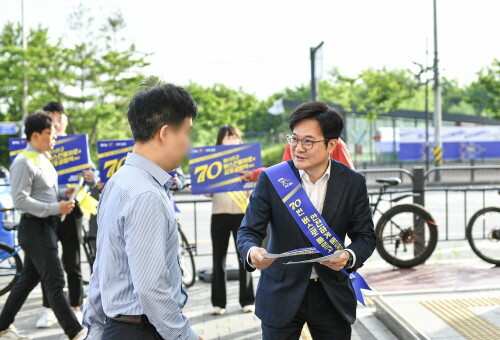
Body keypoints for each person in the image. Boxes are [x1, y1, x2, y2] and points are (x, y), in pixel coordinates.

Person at [237, 102, 376, 340]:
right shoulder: (274, 179)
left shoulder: (352, 183)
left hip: (331, 294)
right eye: (294, 139)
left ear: (331, 144)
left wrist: (349, 256)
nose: (298, 148)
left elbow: (365, 237)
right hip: (281, 293)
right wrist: (251, 251)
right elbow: (248, 230)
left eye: (308, 141)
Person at [83, 84, 203, 340]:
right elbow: (151, 289)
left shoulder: (119, 181)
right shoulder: (145, 193)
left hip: (121, 327)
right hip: (144, 330)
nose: (188, 143)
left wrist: (94, 328)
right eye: (186, 132)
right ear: (165, 133)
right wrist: (185, 336)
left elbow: (102, 268)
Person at [0, 112, 86, 340]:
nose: (54, 138)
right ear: (35, 135)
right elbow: (20, 201)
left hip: (46, 227)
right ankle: (76, 332)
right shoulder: (23, 162)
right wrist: (57, 208)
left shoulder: (42, 158)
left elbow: (43, 194)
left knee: (28, 279)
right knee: (56, 280)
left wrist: (61, 195)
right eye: (50, 133)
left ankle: (2, 325)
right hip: (35, 228)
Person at [34, 102, 94, 328]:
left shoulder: (77, 146)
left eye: (60, 117)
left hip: (72, 206)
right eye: (51, 117)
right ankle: (48, 308)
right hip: (47, 207)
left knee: (72, 259)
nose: (56, 122)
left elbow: (92, 172)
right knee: (47, 261)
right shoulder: (39, 148)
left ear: (66, 120)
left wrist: (89, 175)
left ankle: (76, 306)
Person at [205, 125, 255, 315]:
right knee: (219, 260)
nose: (233, 141)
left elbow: (252, 190)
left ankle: (247, 300)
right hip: (219, 214)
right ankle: (219, 303)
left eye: (235, 137)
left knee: (245, 258)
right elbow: (207, 192)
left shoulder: (247, 160)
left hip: (242, 214)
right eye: (228, 137)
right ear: (220, 141)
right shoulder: (212, 161)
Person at [239, 137, 354, 182]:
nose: (300, 148)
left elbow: (349, 176)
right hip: (300, 207)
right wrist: (255, 174)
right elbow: (284, 173)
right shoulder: (292, 145)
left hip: (330, 207)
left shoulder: (335, 144)